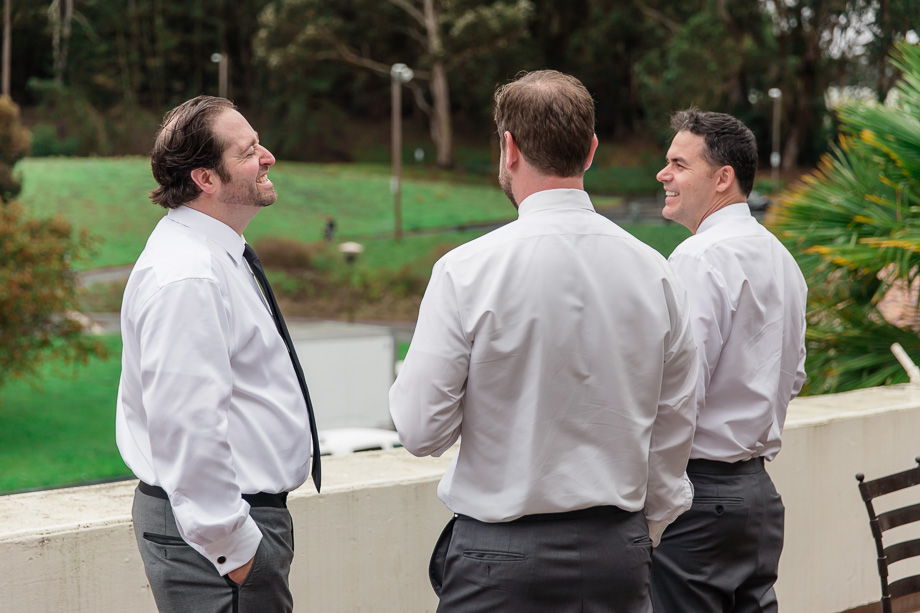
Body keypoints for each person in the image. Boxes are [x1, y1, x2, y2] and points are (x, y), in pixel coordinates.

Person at [388, 70, 699, 612]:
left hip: (499, 559)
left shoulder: (466, 271)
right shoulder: (657, 272)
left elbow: (420, 430)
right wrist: (646, 529)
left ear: (509, 148)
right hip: (617, 555)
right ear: (592, 150)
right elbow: (675, 421)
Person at [115, 95, 320, 613]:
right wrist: (240, 551)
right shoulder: (188, 275)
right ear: (206, 179)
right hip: (216, 543)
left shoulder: (212, 255)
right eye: (249, 150)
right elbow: (186, 429)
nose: (268, 155)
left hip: (230, 532)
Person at [649, 109, 807, 612]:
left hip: (699, 500)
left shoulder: (697, 259)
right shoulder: (781, 257)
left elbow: (678, 393)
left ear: (723, 178)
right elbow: (795, 376)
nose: (663, 174)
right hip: (758, 497)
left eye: (678, 163)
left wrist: (654, 506)